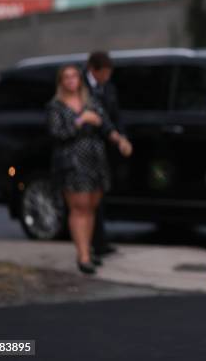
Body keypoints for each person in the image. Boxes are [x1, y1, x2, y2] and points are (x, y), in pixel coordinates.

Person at [47, 64, 133, 274]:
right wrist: (80, 121)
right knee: (78, 208)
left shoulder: (91, 101)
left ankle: (88, 250)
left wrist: (120, 140)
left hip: (95, 160)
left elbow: (106, 125)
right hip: (72, 163)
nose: (71, 80)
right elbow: (57, 133)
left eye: (74, 76)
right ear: (61, 82)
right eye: (66, 77)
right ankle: (83, 256)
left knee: (91, 207)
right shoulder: (56, 106)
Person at [83, 51, 123, 257]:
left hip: (104, 150)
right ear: (93, 70)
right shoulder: (81, 88)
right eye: (104, 73)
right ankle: (91, 244)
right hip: (85, 152)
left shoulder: (107, 88)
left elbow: (111, 116)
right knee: (87, 198)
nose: (107, 77)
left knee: (100, 195)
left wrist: (119, 136)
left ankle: (99, 241)